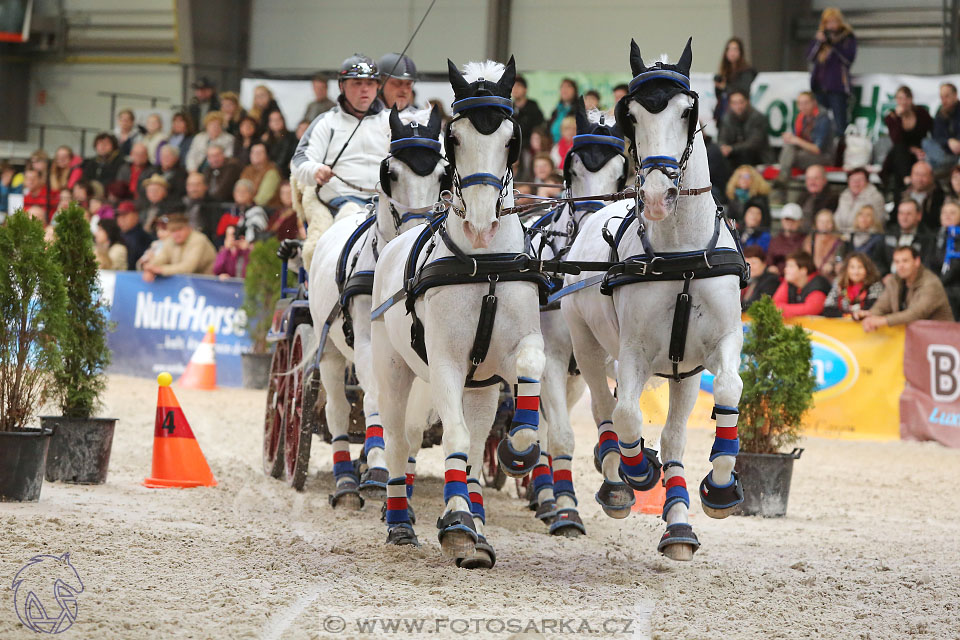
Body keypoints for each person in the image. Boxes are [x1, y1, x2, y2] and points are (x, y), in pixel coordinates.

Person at [291, 53, 388, 254]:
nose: (364, 89)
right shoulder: (326, 122)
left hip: (387, 202)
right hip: (342, 201)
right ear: (342, 86)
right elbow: (300, 160)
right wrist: (316, 169)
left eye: (370, 83)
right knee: (352, 216)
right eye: (357, 83)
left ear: (377, 87)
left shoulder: (392, 121)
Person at [855, 245, 954, 330]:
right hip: (912, 338)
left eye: (905, 261)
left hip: (940, 339)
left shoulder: (930, 283)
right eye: (897, 262)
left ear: (917, 261)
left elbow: (916, 314)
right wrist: (870, 315)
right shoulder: (894, 280)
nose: (900, 266)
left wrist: (883, 321)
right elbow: (882, 306)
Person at [806, 7, 857, 135]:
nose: (831, 25)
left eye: (834, 22)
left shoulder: (847, 37)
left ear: (839, 22)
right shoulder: (821, 38)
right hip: (819, 87)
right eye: (828, 22)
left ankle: (841, 149)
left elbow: (848, 59)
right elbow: (809, 57)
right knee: (820, 123)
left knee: (840, 125)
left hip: (837, 87)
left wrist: (834, 44)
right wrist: (819, 42)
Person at [774, 92, 834, 191]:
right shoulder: (800, 118)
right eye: (800, 104)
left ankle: (783, 178)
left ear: (814, 103)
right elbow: (795, 142)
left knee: (790, 157)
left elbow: (817, 149)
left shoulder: (823, 118)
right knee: (789, 147)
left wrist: (796, 140)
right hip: (805, 154)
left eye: (806, 103)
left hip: (824, 157)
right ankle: (783, 176)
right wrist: (791, 140)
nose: (803, 107)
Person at [881, 86, 932, 200]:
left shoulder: (921, 113)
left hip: (920, 153)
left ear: (911, 99)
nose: (903, 102)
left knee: (903, 157)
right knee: (899, 152)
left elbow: (932, 130)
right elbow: (896, 140)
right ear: (896, 100)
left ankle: (907, 184)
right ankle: (906, 180)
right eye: (899, 98)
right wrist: (898, 118)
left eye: (906, 98)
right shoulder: (891, 117)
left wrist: (923, 149)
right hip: (901, 154)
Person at [142, 213, 217, 281]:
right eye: (172, 231)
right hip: (184, 284)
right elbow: (161, 258)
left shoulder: (198, 240)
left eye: (179, 230)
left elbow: (188, 267)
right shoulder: (170, 240)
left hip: (207, 284)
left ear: (189, 228)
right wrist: (149, 269)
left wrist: (160, 270)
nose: (176, 234)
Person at [822, 252, 884, 317]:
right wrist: (847, 316)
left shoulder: (875, 285)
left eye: (860, 267)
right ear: (846, 269)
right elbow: (828, 308)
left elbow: (872, 309)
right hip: (844, 325)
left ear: (867, 269)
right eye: (852, 267)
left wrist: (857, 315)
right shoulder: (840, 283)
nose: (856, 272)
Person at [772, 250, 832, 318]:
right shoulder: (789, 281)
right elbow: (774, 305)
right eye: (787, 266)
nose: (786, 269)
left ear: (803, 271)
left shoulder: (818, 285)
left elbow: (811, 309)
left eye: (791, 266)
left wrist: (782, 309)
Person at [713, 37, 757, 126]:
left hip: (739, 114)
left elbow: (743, 92)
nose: (731, 53)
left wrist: (725, 87)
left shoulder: (746, 71)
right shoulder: (725, 71)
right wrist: (718, 86)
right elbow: (719, 95)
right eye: (729, 49)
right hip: (724, 112)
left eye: (735, 49)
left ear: (740, 52)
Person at [717, 91, 768, 167]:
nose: (738, 106)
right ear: (730, 105)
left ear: (747, 102)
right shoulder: (727, 118)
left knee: (746, 154)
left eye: (741, 102)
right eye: (734, 103)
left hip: (756, 158)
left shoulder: (757, 117)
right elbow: (722, 138)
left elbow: (754, 143)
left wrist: (732, 149)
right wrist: (723, 147)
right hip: (733, 159)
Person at [883, 199, 936, 272]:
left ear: (919, 216)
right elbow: (879, 259)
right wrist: (885, 275)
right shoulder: (889, 232)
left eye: (909, 214)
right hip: (889, 279)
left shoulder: (928, 237)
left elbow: (927, 264)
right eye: (901, 213)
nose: (904, 218)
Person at [921, 83, 960, 174]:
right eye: (942, 97)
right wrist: (948, 141)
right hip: (945, 152)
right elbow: (937, 136)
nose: (944, 100)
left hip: (957, 152)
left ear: (955, 95)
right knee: (926, 143)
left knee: (929, 160)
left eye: (947, 96)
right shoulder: (941, 113)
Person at [895, 160, 945, 231]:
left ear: (931, 177)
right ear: (911, 175)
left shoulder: (939, 196)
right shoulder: (901, 193)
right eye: (917, 174)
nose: (919, 179)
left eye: (924, 175)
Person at [833, 167, 885, 233]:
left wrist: (848, 235)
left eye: (860, 180)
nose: (856, 183)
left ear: (867, 182)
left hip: (865, 238)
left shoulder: (876, 198)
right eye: (853, 180)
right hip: (843, 236)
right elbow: (836, 219)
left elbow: (877, 224)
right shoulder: (844, 195)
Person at [933, 200, 960, 318]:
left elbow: (955, 267)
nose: (947, 215)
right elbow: (928, 261)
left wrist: (937, 285)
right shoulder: (935, 236)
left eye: (952, 213)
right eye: (944, 212)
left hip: (954, 287)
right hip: (937, 283)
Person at [218, 179, 269, 244]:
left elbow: (256, 237)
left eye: (244, 191)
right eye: (238, 191)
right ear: (234, 194)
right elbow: (220, 234)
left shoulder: (257, 212)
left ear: (252, 194)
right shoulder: (230, 212)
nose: (240, 194)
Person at [843, 205, 888, 274]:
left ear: (873, 219)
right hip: (853, 272)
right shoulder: (851, 237)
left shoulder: (879, 238)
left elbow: (879, 262)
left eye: (868, 215)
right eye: (861, 214)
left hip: (871, 273)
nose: (864, 218)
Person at [803, 209, 844, 281]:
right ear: (816, 223)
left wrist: (832, 264)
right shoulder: (809, 240)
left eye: (827, 222)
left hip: (830, 278)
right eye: (821, 222)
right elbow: (805, 258)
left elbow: (839, 259)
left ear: (832, 224)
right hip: (812, 276)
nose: (824, 225)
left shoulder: (838, 241)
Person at [767, 203, 808, 274]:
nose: (789, 223)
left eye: (793, 220)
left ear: (800, 222)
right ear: (782, 220)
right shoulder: (775, 240)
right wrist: (771, 268)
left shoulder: (805, 240)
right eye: (787, 219)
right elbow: (769, 260)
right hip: (776, 278)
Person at [796, 165, 839, 230]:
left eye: (816, 178)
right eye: (809, 179)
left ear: (824, 180)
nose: (812, 182)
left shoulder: (832, 199)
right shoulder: (803, 196)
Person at [239, 142, 281, 207]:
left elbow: (263, 198)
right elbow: (240, 189)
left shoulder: (272, 172)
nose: (256, 155)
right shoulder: (247, 170)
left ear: (267, 155)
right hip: (246, 206)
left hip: (266, 209)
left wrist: (249, 205)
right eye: (253, 152)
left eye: (260, 152)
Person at [182, 172, 219, 243]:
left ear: (205, 186)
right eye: (191, 185)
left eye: (198, 185)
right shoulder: (180, 204)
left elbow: (213, 231)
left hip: (203, 241)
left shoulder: (213, 205)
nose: (194, 189)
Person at [741, 246, 781, 311]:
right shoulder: (750, 280)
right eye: (746, 264)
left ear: (764, 263)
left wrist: (737, 306)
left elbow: (758, 305)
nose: (750, 267)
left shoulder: (771, 280)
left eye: (754, 263)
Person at [115, 200, 152, 269]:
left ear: (136, 215)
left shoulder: (142, 237)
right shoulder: (117, 235)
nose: (121, 219)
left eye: (125, 215)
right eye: (119, 215)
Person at [512, 75, 545, 152]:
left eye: (518, 86)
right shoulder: (509, 108)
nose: (515, 89)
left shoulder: (533, 107)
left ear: (525, 89)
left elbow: (539, 127)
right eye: (513, 86)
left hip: (530, 148)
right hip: (513, 146)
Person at [262, 110, 297, 179]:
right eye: (273, 120)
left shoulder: (292, 136)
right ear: (269, 123)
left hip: (287, 173)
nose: (276, 122)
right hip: (269, 172)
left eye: (278, 119)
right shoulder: (266, 140)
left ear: (283, 121)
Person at [548, 78, 578, 144]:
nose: (564, 90)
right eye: (562, 87)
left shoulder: (579, 110)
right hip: (555, 146)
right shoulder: (556, 110)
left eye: (568, 86)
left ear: (575, 90)